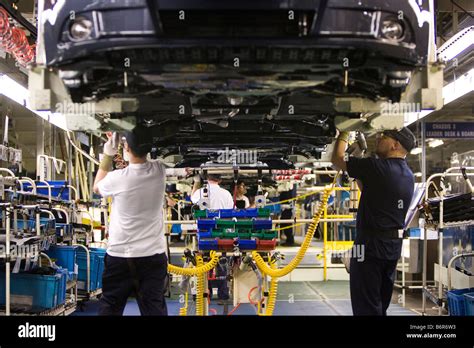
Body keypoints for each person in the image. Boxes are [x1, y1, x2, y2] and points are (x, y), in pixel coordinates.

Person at [331, 127, 416, 316]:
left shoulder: (378, 168)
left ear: (395, 145)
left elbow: (337, 159)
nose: (378, 138)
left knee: (366, 306)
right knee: (378, 305)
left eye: (384, 137)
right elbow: (368, 187)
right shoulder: (407, 175)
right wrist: (360, 157)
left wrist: (343, 132)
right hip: (391, 248)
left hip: (369, 247)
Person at [93, 126, 168, 316]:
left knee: (110, 306)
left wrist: (108, 154)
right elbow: (144, 160)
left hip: (119, 256)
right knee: (154, 309)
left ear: (126, 149)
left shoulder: (117, 178)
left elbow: (96, 187)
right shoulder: (159, 171)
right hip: (152, 257)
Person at [191, 173, 233, 303]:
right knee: (222, 261)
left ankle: (206, 294)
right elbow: (231, 211)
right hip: (221, 231)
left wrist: (196, 182)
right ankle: (223, 296)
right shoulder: (226, 193)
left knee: (204, 261)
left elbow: (192, 199)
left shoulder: (200, 192)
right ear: (220, 179)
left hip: (204, 231)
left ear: (206, 178)